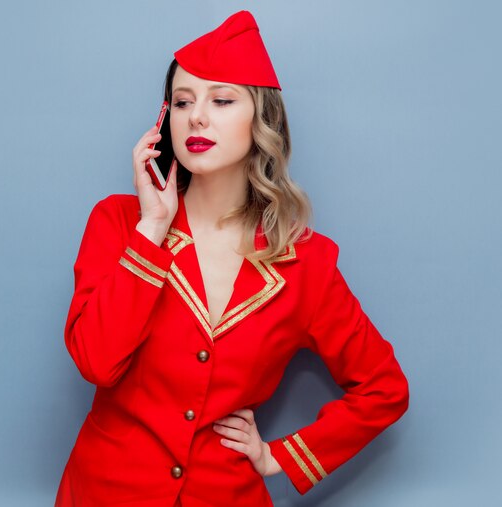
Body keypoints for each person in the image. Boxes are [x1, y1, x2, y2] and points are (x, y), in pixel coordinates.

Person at [55, 10, 409, 507]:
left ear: (261, 121)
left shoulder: (306, 261)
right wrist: (152, 230)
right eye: (182, 102)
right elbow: (96, 362)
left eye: (221, 100)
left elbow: (384, 389)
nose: (197, 115)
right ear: (165, 122)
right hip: (107, 491)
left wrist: (277, 457)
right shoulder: (119, 223)